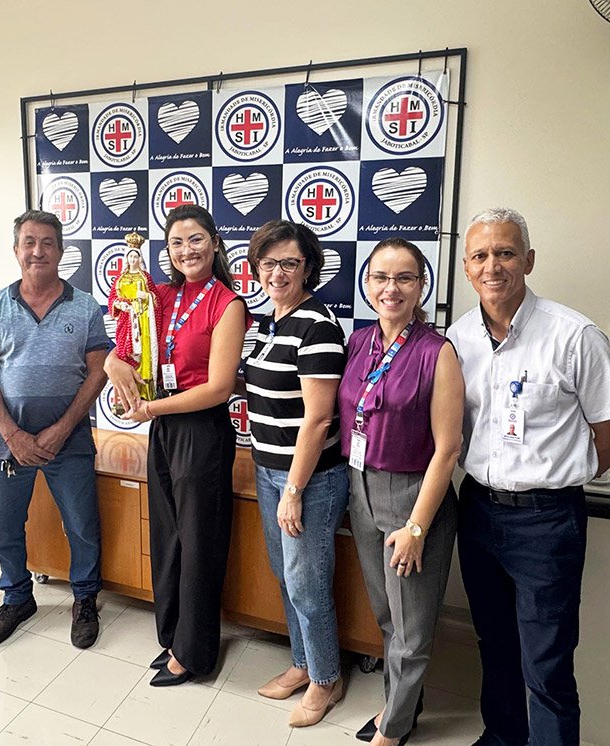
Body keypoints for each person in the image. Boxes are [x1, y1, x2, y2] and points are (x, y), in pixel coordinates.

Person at [447, 208, 610, 746]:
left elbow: (606, 431)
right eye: (480, 256)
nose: (493, 265)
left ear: (529, 260)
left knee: (547, 663)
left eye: (506, 252)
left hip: (547, 520)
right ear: (467, 269)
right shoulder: (458, 338)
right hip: (478, 511)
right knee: (494, 645)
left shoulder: (575, 335)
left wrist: (557, 477)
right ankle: (503, 738)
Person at [106, 204, 249, 686]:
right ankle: (172, 636)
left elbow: (218, 388)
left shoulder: (227, 304)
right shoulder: (158, 295)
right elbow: (124, 344)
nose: (186, 250)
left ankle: (195, 653)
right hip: (164, 427)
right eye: (175, 242)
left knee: (199, 543)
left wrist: (149, 410)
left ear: (214, 243)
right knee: (167, 536)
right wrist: (112, 365)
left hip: (201, 430)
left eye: (195, 239)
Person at [338, 238, 463, 746]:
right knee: (388, 615)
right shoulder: (359, 340)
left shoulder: (439, 352)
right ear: (367, 283)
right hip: (359, 487)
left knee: (411, 629)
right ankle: (401, 705)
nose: (391, 288)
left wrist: (416, 526)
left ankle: (393, 730)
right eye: (381, 277)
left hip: (412, 495)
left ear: (421, 286)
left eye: (405, 278)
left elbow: (448, 450)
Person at [0, 209, 109, 649]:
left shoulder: (86, 306)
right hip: (9, 441)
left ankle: (84, 598)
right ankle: (16, 597)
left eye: (47, 242)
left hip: (70, 439)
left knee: (82, 525)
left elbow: (98, 372)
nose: (38, 251)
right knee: (5, 524)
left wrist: (63, 427)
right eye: (29, 242)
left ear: (61, 250)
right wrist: (14, 435)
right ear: (16, 250)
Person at [243, 220, 349, 727]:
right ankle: (304, 663)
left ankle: (327, 678)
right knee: (287, 577)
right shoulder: (272, 322)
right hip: (268, 470)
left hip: (307, 479)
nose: (278, 272)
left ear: (308, 266)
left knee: (307, 583)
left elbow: (319, 418)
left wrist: (294, 490)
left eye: (289, 262)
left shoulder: (318, 327)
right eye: (268, 263)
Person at [107, 236, 160, 402]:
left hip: (143, 320)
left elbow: (156, 298)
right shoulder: (120, 279)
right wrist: (119, 305)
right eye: (130, 256)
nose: (133, 259)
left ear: (140, 258)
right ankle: (128, 394)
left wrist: (147, 296)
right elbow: (112, 299)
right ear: (126, 258)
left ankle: (145, 390)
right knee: (125, 352)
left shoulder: (145, 277)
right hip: (127, 321)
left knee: (144, 355)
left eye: (136, 256)